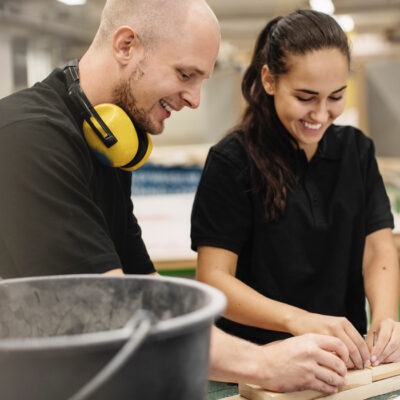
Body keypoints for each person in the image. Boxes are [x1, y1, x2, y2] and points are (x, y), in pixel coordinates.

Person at [0, 1, 349, 395]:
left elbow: (146, 290)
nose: (195, 99)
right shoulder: (25, 140)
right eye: (186, 74)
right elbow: (109, 310)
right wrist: (262, 362)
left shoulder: (110, 140)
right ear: (126, 45)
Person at [191, 8, 400, 377]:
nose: (320, 114)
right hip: (260, 365)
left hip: (344, 364)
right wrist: (297, 321)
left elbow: (378, 246)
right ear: (269, 80)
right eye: (306, 97)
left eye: (336, 97)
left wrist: (384, 319)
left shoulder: (357, 151)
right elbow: (214, 278)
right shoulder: (232, 161)